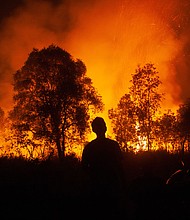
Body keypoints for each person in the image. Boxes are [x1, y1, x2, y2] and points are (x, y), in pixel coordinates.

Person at [81, 117, 125, 217]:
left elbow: (84, 169)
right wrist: (123, 185)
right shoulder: (113, 145)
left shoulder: (89, 148)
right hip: (111, 187)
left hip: (97, 188)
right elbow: (120, 167)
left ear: (93, 130)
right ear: (105, 128)